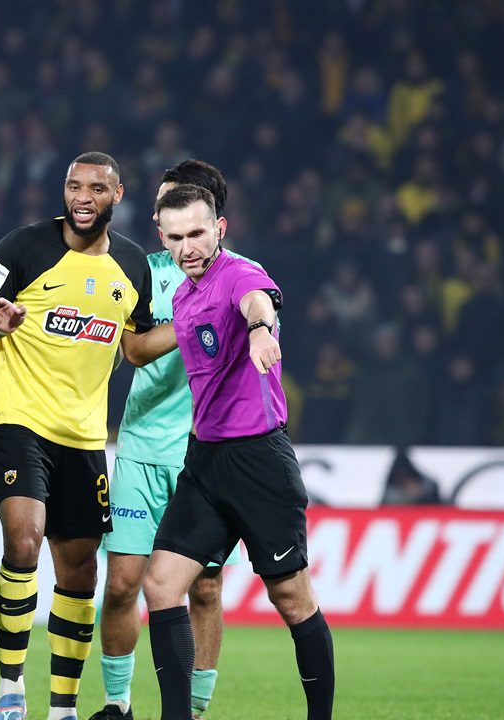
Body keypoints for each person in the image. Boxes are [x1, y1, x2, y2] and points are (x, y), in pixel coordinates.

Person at [0, 152, 176, 720]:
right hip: (17, 416)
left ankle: (63, 707)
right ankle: (11, 687)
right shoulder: (23, 247)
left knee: (80, 569)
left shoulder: (132, 264)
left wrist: (188, 327)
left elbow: (135, 346)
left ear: (117, 195)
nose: (83, 197)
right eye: (74, 186)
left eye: (96, 188)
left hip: (82, 435)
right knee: (24, 541)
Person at [145, 184, 335, 720]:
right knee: (160, 586)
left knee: (292, 598)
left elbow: (257, 300)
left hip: (258, 461)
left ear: (220, 229)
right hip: (205, 461)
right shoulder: (182, 298)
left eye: (197, 233)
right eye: (175, 238)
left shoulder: (239, 273)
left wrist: (259, 331)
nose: (188, 248)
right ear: (162, 237)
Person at [91, 160, 247, 720]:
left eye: (182, 209)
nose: (170, 223)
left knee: (204, 587)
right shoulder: (139, 271)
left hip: (203, 456)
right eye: (164, 211)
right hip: (139, 448)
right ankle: (117, 704)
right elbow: (130, 348)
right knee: (121, 585)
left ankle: (194, 710)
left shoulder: (240, 279)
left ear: (212, 218)